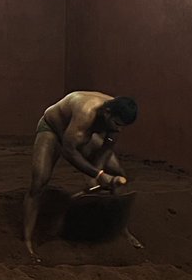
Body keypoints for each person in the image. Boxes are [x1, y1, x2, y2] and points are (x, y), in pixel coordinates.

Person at [24, 91, 140, 262]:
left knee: (118, 174)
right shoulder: (86, 112)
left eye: (122, 126)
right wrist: (98, 174)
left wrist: (96, 177)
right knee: (39, 182)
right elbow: (69, 151)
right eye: (117, 124)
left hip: (82, 133)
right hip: (53, 129)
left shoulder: (115, 117)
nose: (119, 129)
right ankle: (27, 241)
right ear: (107, 113)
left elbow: (106, 148)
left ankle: (121, 230)